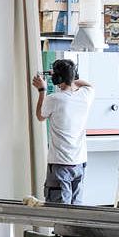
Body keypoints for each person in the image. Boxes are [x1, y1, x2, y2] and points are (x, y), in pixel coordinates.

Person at [32, 59, 94, 205]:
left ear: (57, 78)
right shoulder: (85, 95)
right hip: (79, 163)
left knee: (58, 209)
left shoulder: (54, 99)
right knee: (76, 208)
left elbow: (40, 116)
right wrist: (69, 77)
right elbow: (87, 85)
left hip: (60, 163)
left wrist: (42, 91)